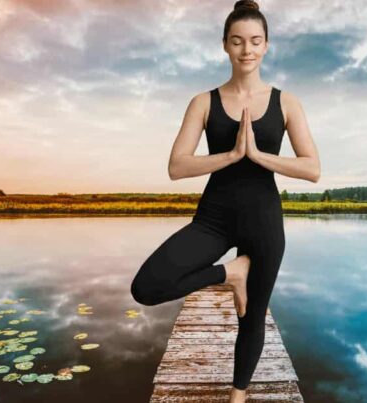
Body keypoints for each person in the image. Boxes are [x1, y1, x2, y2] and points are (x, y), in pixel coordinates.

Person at [130, 1, 320, 401]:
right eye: (237, 42)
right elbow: (176, 167)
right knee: (147, 286)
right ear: (224, 46)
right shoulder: (203, 102)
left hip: (264, 219)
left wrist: (258, 155)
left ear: (267, 45)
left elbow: (312, 168)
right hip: (213, 218)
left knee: (251, 317)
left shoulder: (286, 103)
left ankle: (238, 396)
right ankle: (231, 274)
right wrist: (231, 155)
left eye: (254, 41)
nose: (246, 50)